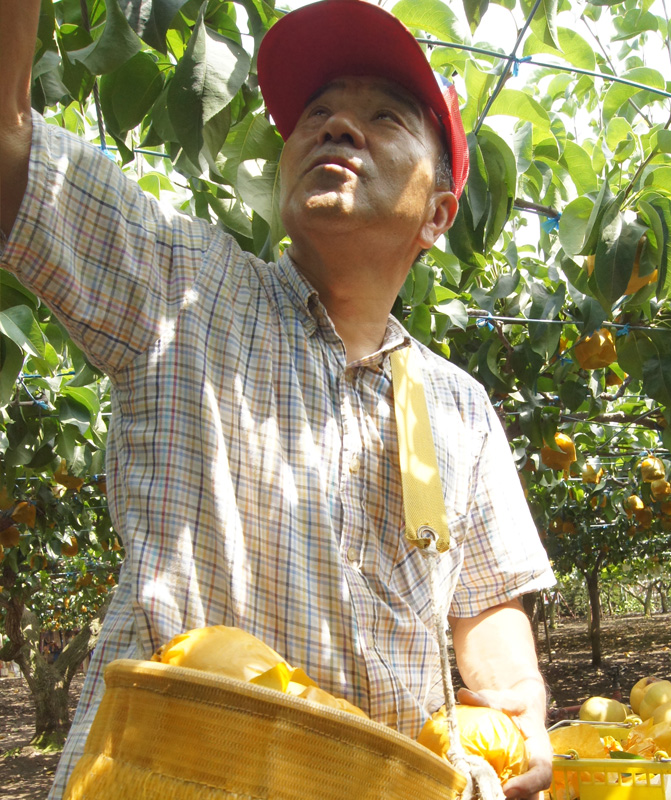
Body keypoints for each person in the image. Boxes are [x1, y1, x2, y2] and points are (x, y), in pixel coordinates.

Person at [0, 1, 556, 797]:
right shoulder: (182, 288)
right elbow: (9, 145)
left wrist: (520, 704)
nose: (336, 128)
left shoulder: (457, 408)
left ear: (437, 215)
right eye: (317, 115)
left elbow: (487, 603)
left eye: (383, 117)